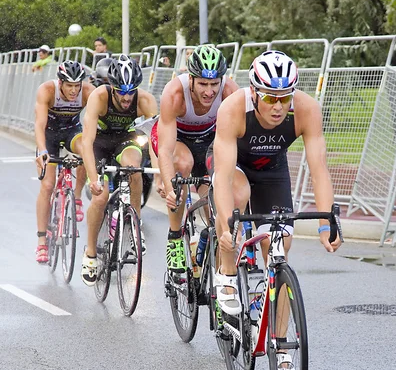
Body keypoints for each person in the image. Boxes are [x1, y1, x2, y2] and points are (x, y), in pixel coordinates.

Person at [210, 50, 342, 321]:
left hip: (272, 171)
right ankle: (226, 273)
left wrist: (326, 224)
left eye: (285, 98)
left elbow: (319, 171)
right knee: (236, 200)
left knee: (280, 245)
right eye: (270, 98)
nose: (278, 107)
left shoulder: (307, 109)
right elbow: (222, 178)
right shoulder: (233, 108)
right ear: (254, 92)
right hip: (235, 168)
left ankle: (280, 349)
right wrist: (225, 229)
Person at [153, 44, 238, 274]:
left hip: (207, 140)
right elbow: (165, 150)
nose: (209, 91)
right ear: (190, 79)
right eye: (202, 83)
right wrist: (171, 186)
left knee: (215, 200)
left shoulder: (231, 92)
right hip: (176, 140)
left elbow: (238, 141)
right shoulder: (175, 94)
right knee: (183, 164)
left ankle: (214, 259)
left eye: (214, 84)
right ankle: (174, 238)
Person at [81, 54, 158, 286]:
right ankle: (91, 254)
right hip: (99, 144)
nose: (126, 97)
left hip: (126, 140)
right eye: (121, 92)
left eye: (131, 91)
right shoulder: (99, 96)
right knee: (100, 197)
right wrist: (93, 179)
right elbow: (86, 142)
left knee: (135, 169)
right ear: (112, 87)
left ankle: (135, 227)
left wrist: (160, 174)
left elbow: (156, 142)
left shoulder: (145, 100)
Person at [34, 60, 94, 263]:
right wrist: (42, 151)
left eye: (77, 85)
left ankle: (76, 197)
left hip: (71, 133)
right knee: (48, 185)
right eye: (69, 85)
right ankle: (42, 241)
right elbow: (40, 124)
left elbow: (98, 119)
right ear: (60, 83)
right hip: (49, 137)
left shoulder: (87, 92)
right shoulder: (47, 90)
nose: (74, 90)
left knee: (87, 150)